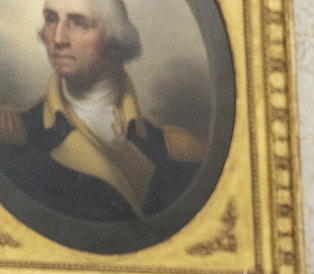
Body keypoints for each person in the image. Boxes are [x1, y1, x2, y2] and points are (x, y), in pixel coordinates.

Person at [0, 0, 202, 221]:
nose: (58, 39)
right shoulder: (14, 135)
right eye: (51, 19)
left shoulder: (175, 149)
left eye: (78, 23)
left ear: (115, 40)